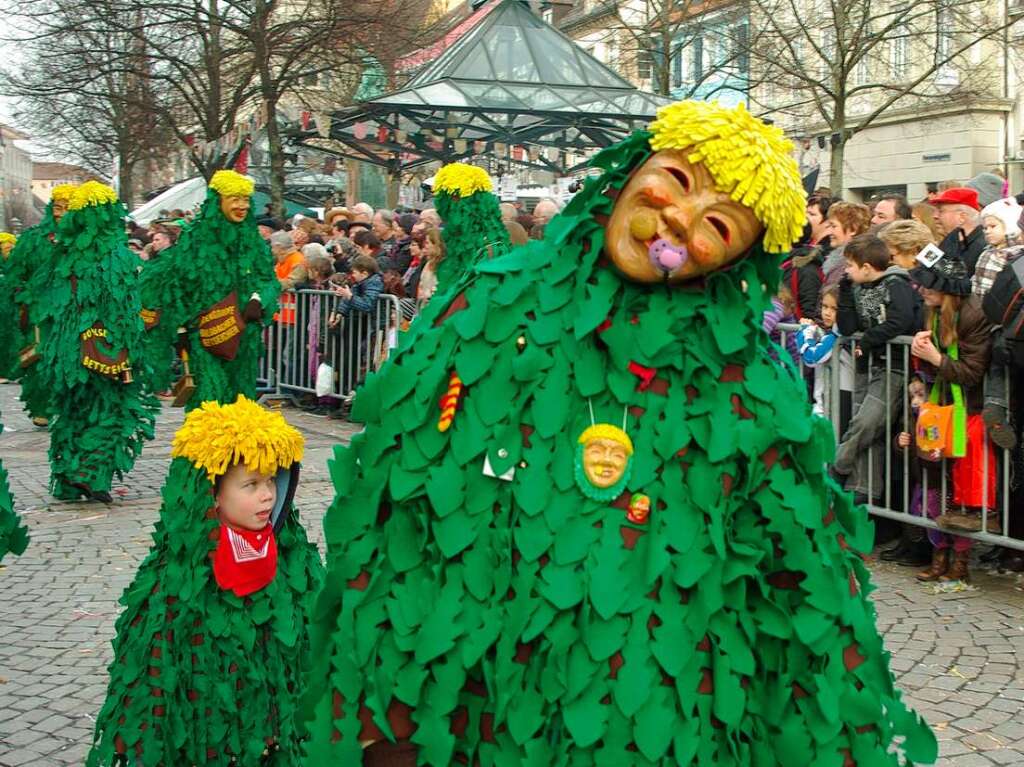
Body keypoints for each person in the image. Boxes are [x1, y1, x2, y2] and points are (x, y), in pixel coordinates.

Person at [301, 99, 936, 766]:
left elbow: (801, 590)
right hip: (484, 700)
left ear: (734, 263)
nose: (679, 221)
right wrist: (386, 717)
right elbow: (399, 513)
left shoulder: (748, 384)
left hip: (648, 719)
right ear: (633, 170)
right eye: (680, 182)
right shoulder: (489, 304)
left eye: (717, 224)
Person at [85, 397, 323, 766]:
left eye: (272, 481)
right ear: (212, 491)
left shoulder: (291, 557)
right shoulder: (177, 575)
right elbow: (155, 675)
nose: (267, 495)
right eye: (251, 484)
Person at [40, 182, 159, 502]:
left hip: (67, 351)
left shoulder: (62, 254)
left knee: (72, 411)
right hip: (105, 347)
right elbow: (121, 307)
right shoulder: (115, 255)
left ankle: (67, 477)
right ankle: (90, 473)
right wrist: (130, 346)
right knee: (112, 409)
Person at [138, 171, 280, 410]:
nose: (242, 206)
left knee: (240, 398)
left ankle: (236, 446)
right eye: (235, 199)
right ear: (219, 200)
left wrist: (258, 300)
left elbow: (268, 280)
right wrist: (180, 329)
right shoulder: (196, 239)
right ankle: (205, 446)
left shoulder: (253, 241)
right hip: (204, 333)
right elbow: (178, 284)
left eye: (246, 199)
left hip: (243, 332)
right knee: (209, 394)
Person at [907, 252, 997, 582]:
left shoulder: (973, 315)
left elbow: (972, 372)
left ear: (945, 287)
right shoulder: (933, 311)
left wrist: (935, 358)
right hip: (941, 410)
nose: (920, 289)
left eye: (927, 284)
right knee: (934, 487)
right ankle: (938, 555)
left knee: (961, 494)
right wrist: (922, 352)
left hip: (966, 413)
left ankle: (960, 562)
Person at [833, 233, 921, 504]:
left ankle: (837, 466)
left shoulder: (897, 284)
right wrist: (846, 293)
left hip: (893, 366)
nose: (846, 270)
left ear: (867, 268)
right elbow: (848, 328)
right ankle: (862, 490)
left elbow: (901, 320)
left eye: (849, 266)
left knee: (866, 422)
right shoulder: (858, 288)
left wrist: (868, 341)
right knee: (868, 429)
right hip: (868, 366)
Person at [2, 183, 77, 427]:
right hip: (39, 311)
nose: (61, 213)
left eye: (67, 208)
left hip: (72, 310)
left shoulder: (82, 241)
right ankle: (40, 405)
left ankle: (70, 405)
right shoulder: (33, 239)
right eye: (57, 207)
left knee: (72, 357)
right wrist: (25, 295)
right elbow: (15, 274)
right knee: (38, 356)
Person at [973, 197, 1024, 449]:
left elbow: (996, 303)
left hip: (1005, 334)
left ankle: (995, 404)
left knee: (998, 368)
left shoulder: (1016, 259)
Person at [796, 284, 853, 424]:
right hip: (836, 393)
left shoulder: (837, 334)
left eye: (834, 309)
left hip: (839, 394)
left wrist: (804, 332)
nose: (827, 313)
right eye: (824, 306)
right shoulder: (834, 333)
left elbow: (812, 357)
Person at [933, 186, 985, 275]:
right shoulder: (951, 241)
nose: (935, 216)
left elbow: (954, 279)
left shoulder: (981, 247)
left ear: (962, 217)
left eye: (941, 211)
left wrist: (924, 252)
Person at [821, 201, 871, 287]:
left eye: (833, 226)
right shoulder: (840, 259)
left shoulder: (855, 263)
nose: (829, 232)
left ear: (853, 229)